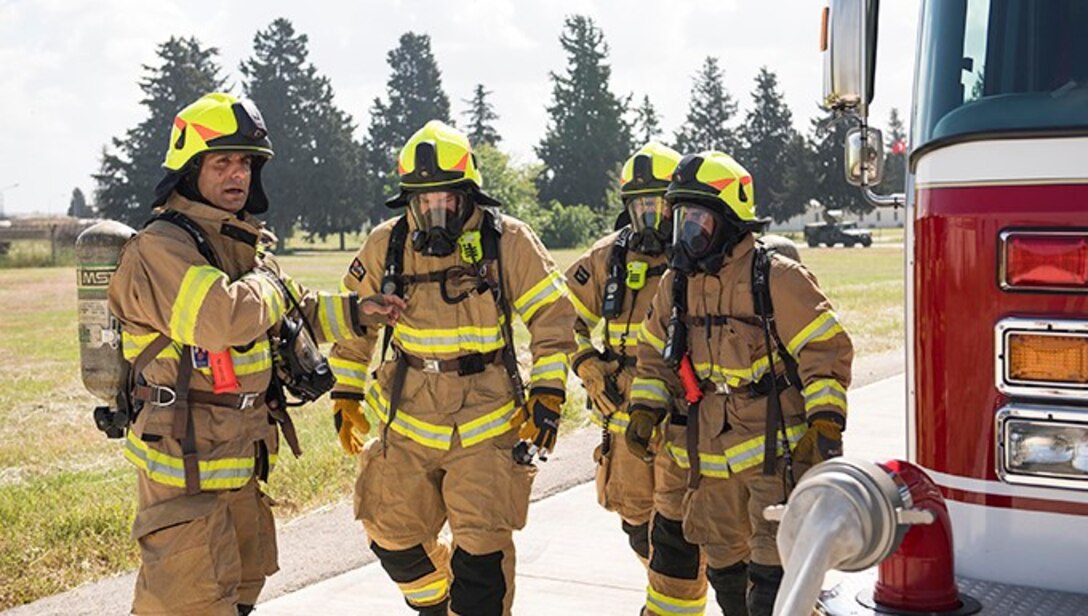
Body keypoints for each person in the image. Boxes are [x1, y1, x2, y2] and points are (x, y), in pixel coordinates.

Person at [108, 92, 403, 615]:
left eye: (245, 163)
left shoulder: (237, 243)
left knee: (240, 593)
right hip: (183, 475)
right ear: (191, 168)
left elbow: (292, 314)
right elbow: (225, 318)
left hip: (236, 466)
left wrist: (360, 311)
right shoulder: (161, 248)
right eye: (222, 162)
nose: (236, 175)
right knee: (187, 605)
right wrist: (266, 278)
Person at [329, 120, 576, 615]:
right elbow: (356, 321)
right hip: (410, 416)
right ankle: (436, 604)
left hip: (486, 422)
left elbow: (552, 315)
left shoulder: (507, 241)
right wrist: (346, 393)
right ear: (409, 201)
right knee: (391, 536)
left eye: (445, 199)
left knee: (481, 560)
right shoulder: (387, 245)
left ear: (468, 196)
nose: (434, 211)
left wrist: (548, 391)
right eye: (423, 201)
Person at [627, 151, 853, 616]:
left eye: (697, 221)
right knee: (727, 575)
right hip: (707, 459)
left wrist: (826, 423)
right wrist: (646, 408)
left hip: (775, 456)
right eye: (681, 220)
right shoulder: (675, 284)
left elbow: (825, 352)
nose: (686, 234)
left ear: (730, 222)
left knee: (773, 582)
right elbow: (652, 356)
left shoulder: (777, 278)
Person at [565, 142, 691, 571]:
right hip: (624, 418)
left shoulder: (702, 254)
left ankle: (676, 598)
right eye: (641, 207)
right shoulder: (606, 257)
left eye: (659, 206)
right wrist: (584, 362)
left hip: (683, 411)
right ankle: (665, 594)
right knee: (637, 521)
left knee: (691, 523)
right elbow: (560, 316)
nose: (650, 218)